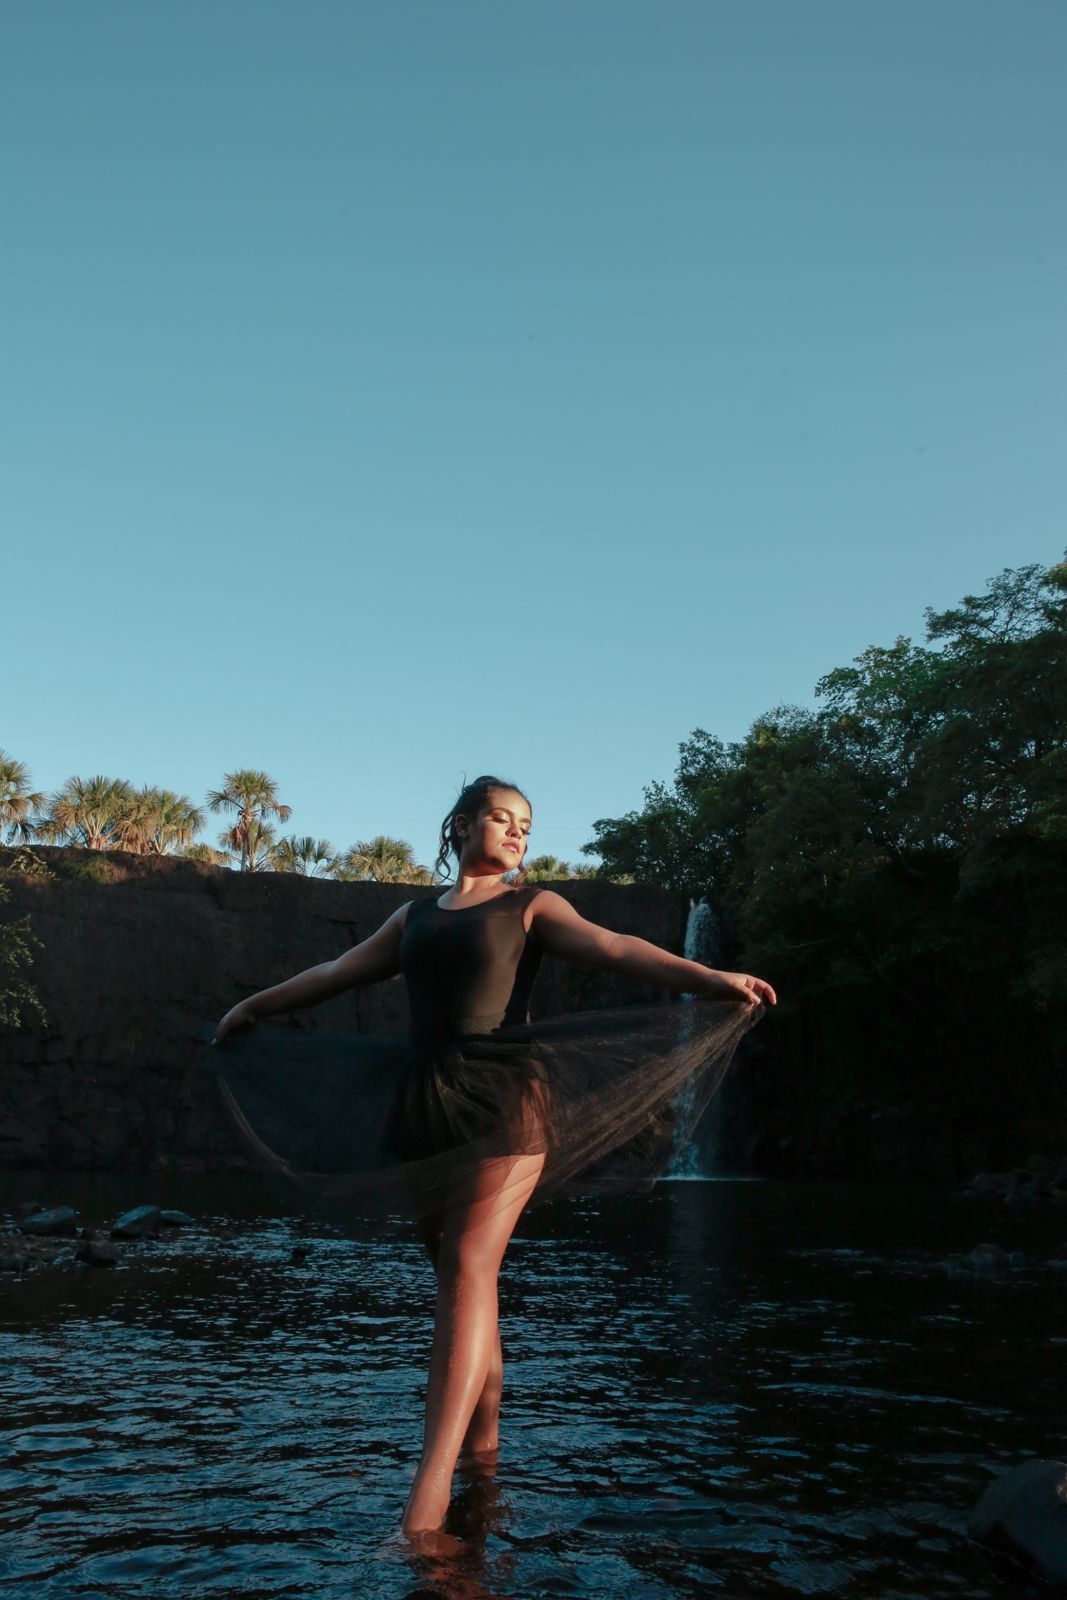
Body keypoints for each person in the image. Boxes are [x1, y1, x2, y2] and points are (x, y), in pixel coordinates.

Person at [211, 774, 776, 1537]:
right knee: (460, 1275)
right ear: (460, 824)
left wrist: (710, 977)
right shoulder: (411, 916)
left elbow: (617, 948)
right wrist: (251, 1005)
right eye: (502, 819)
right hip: (423, 1102)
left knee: (468, 1272)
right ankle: (483, 1449)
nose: (516, 833)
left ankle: (429, 1494)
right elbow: (333, 974)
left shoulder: (532, 905)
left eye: (525, 825)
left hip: (509, 1098)